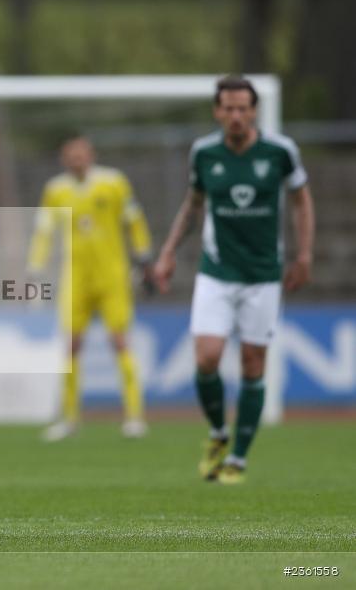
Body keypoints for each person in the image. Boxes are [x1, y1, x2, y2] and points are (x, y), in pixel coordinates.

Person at [153, 75, 314, 485]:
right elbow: (193, 204)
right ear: (218, 111)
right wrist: (170, 250)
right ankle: (218, 433)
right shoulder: (204, 153)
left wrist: (304, 253)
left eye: (244, 108)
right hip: (217, 271)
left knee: (253, 364)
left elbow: (300, 201)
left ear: (254, 111)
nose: (237, 115)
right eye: (229, 108)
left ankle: (238, 458)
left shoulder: (280, 151)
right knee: (206, 356)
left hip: (263, 274)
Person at [27, 134, 154, 441]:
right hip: (75, 278)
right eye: (71, 155)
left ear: (91, 155)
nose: (77, 159)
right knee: (71, 345)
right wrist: (36, 266)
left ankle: (134, 416)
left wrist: (144, 255)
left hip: (112, 276)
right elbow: (44, 230)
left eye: (81, 154)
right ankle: (70, 418)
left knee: (120, 341)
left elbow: (133, 220)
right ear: (63, 158)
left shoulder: (113, 182)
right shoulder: (55, 190)